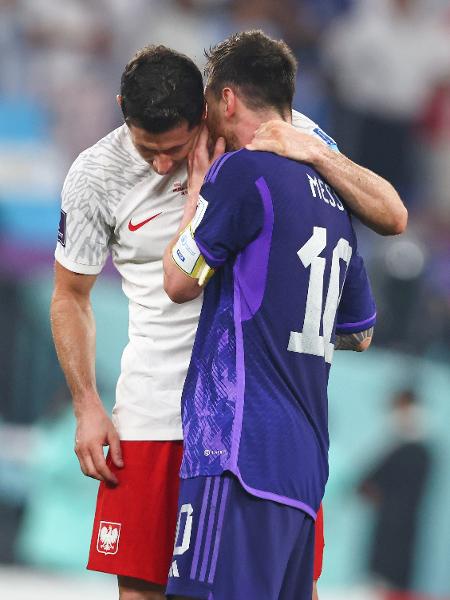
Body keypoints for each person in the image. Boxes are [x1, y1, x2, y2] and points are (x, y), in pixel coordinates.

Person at [51, 43, 405, 600]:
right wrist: (87, 404)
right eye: (150, 150)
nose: (165, 164)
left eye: (176, 147)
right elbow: (70, 295)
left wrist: (314, 151)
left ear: (211, 109)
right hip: (154, 418)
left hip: (237, 427)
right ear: (122, 109)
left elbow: (391, 212)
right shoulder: (96, 174)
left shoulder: (276, 140)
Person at [163, 30, 376, 600]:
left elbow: (179, 282)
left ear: (227, 100)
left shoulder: (242, 173)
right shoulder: (335, 202)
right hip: (302, 472)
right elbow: (360, 332)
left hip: (233, 450)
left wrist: (198, 192)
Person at [358, 389, 432, 600]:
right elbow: (364, 484)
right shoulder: (398, 449)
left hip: (399, 542)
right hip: (387, 539)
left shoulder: (417, 452)